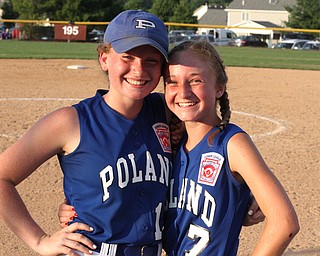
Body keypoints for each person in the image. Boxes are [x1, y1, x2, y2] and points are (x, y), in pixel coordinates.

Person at [0, 10, 171, 256]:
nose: (139, 69)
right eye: (127, 57)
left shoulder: (166, 112)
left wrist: (246, 191)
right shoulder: (71, 121)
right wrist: (40, 240)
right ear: (104, 58)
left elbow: (212, 149)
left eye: (151, 60)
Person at [160, 40, 299, 255]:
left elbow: (285, 222)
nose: (184, 92)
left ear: (219, 88)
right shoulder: (172, 144)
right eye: (172, 82)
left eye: (195, 80)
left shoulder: (231, 143)